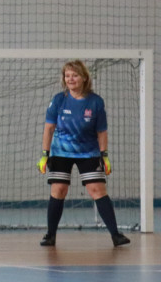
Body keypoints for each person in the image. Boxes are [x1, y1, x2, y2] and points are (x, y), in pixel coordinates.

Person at [37, 59, 129, 248]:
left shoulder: (95, 102)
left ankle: (115, 235)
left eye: (74, 75)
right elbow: (49, 128)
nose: (70, 79)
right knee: (59, 190)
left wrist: (104, 156)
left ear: (84, 78)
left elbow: (101, 131)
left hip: (88, 152)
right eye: (67, 75)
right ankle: (50, 235)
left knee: (97, 190)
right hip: (61, 152)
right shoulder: (59, 100)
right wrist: (45, 154)